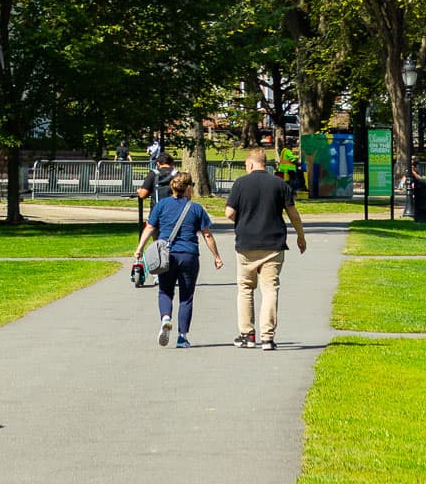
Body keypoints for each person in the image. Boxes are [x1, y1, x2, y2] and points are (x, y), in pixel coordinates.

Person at [225, 147, 307, 350]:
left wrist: (242, 218)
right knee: (270, 289)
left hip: (246, 244)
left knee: (245, 288)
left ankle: (247, 334)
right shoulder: (279, 184)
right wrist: (300, 236)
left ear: (251, 164)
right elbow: (293, 214)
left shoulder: (240, 184)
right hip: (273, 244)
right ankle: (268, 337)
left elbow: (228, 213)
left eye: (246, 165)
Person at [131, 172, 223, 347]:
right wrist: (216, 257)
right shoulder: (196, 208)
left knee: (165, 291)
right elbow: (207, 235)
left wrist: (139, 248)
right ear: (188, 188)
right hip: (189, 255)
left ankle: (166, 317)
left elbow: (150, 227)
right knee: (186, 297)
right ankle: (182, 337)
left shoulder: (161, 205)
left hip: (166, 255)